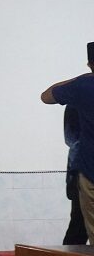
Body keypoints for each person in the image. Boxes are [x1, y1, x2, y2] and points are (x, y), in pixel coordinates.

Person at [44, 43, 94, 243]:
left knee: (79, 228)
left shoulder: (80, 90)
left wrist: (80, 78)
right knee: (78, 226)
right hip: (83, 168)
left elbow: (46, 96)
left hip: (86, 170)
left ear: (89, 64)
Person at [63, 107, 88, 244]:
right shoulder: (76, 102)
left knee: (78, 227)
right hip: (81, 175)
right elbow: (74, 142)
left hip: (80, 173)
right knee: (78, 227)